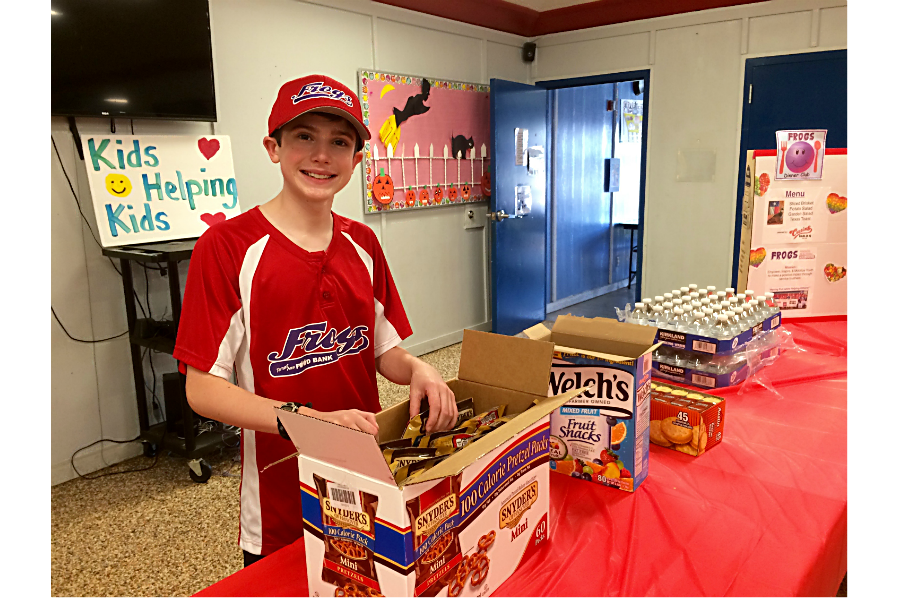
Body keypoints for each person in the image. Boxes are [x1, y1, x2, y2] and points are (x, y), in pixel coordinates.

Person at [173, 74, 457, 568]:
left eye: (339, 142)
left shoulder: (362, 243)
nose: (321, 155)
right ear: (273, 147)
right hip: (283, 493)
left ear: (356, 160)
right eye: (304, 136)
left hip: (370, 473)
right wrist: (310, 422)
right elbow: (203, 389)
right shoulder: (227, 248)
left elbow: (383, 350)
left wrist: (420, 371)